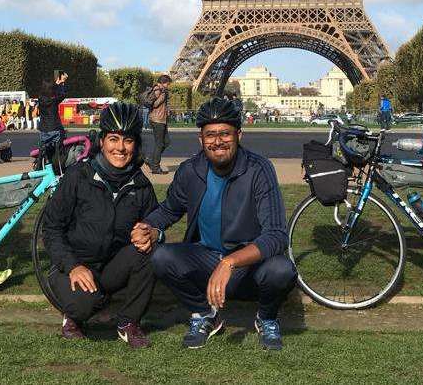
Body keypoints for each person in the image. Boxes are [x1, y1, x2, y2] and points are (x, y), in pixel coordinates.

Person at [131, 97, 296, 351]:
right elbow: (170, 209)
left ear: (239, 134)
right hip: (206, 259)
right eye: (210, 135)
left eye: (225, 133)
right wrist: (150, 228)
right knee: (161, 257)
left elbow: (276, 236)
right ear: (200, 139)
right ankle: (204, 314)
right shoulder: (190, 170)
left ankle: (266, 317)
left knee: (282, 270)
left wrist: (230, 262)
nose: (217, 141)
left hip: (247, 267)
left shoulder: (259, 170)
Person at [41, 102, 158, 349]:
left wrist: (153, 234)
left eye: (128, 140)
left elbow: (156, 223)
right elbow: (51, 228)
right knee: (84, 304)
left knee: (150, 253)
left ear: (135, 144)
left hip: (111, 267)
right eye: (114, 139)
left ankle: (128, 322)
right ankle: (74, 315)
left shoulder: (141, 185)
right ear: (102, 141)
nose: (121, 148)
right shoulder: (78, 176)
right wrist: (72, 266)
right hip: (72, 264)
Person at [146, 74, 172, 175]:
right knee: (159, 144)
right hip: (157, 120)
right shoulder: (158, 89)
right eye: (168, 84)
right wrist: (163, 96)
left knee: (166, 142)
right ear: (164, 82)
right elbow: (155, 104)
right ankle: (155, 167)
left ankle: (152, 161)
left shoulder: (160, 90)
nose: (168, 86)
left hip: (161, 119)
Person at [38, 72, 68, 141]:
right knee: (59, 148)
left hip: (43, 128)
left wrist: (56, 85)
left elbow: (49, 91)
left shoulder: (40, 98)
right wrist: (61, 83)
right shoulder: (53, 100)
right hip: (54, 127)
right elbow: (62, 94)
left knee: (45, 148)